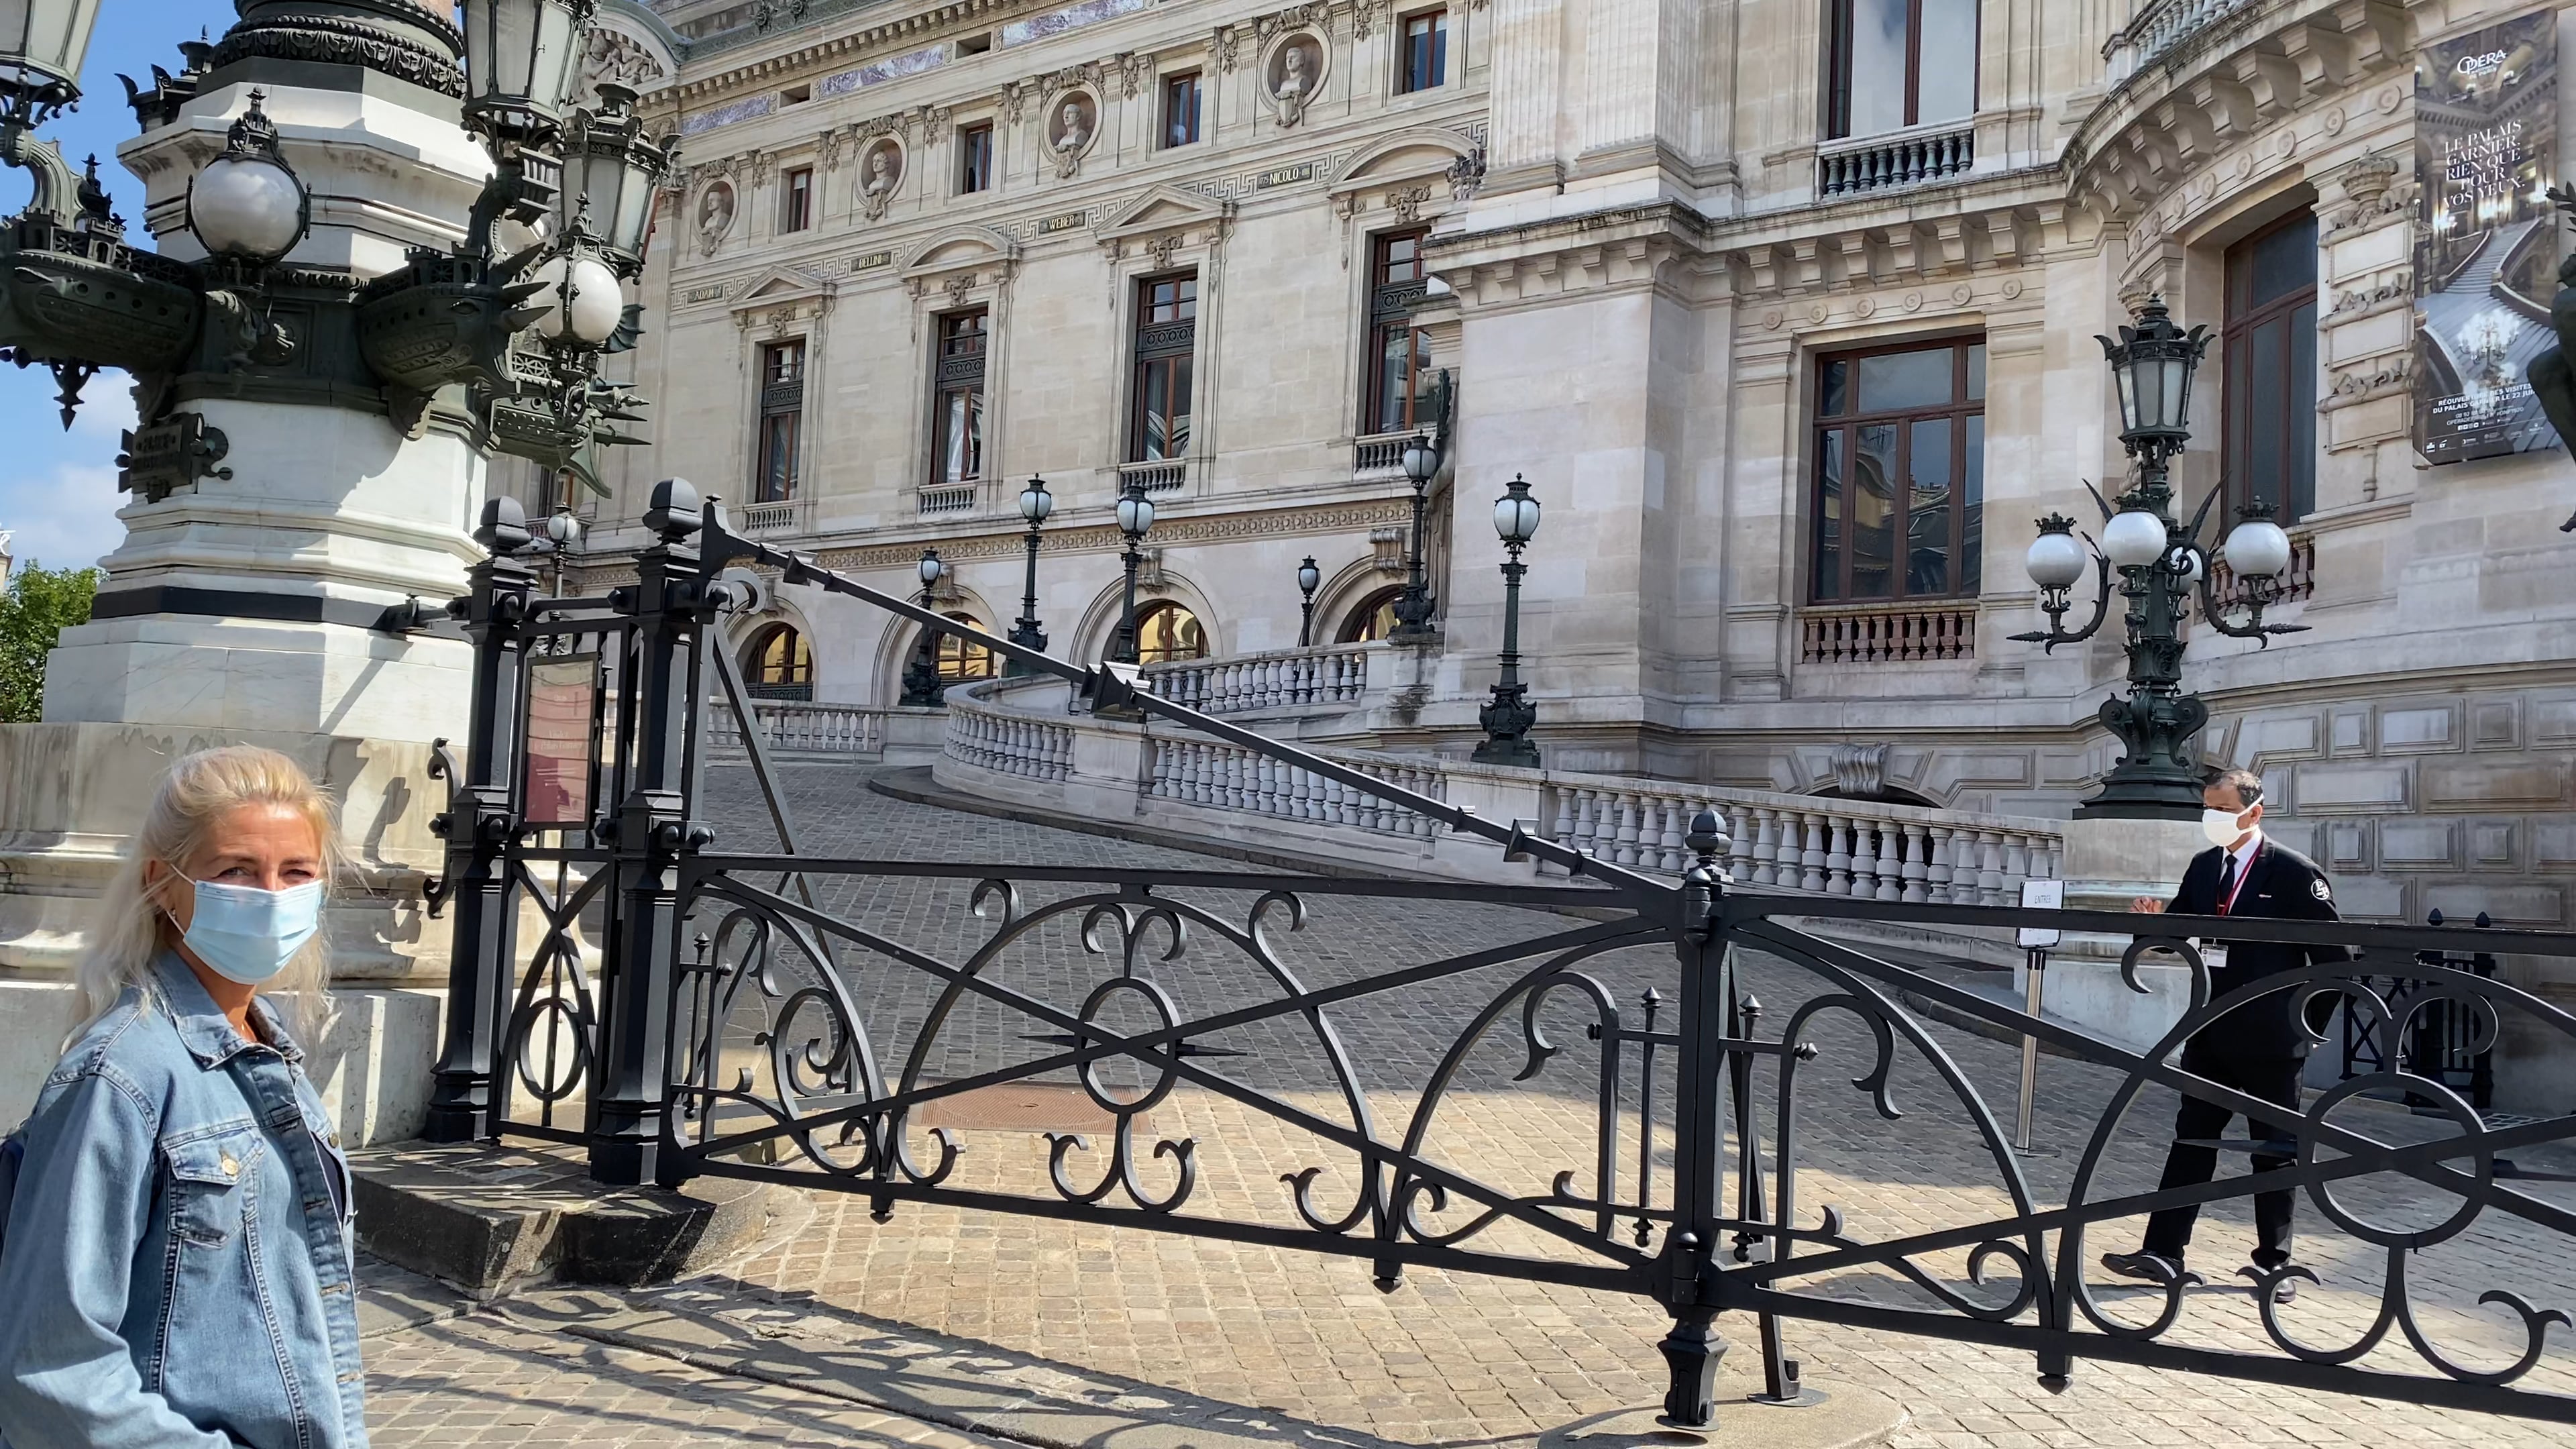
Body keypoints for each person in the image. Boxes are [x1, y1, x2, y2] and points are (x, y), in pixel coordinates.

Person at [0, 746, 365, 1448]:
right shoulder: (121, 1076)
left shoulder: (269, 1052)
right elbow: (53, 1370)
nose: (269, 896)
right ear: (162, 885)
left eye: (295, 873)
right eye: (235, 870)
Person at [2101, 767, 2345, 1306]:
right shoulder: (2205, 866)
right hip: (2211, 1033)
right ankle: (2163, 1252)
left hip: (2273, 1043)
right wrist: (2153, 925)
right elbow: (2178, 939)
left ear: (2254, 812)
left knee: (2274, 1153)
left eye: (2221, 808)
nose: (2211, 819)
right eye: (2206, 808)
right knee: (2191, 1140)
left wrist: (2305, 1030)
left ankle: (2273, 1263)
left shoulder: (2294, 873)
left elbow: (2336, 963)